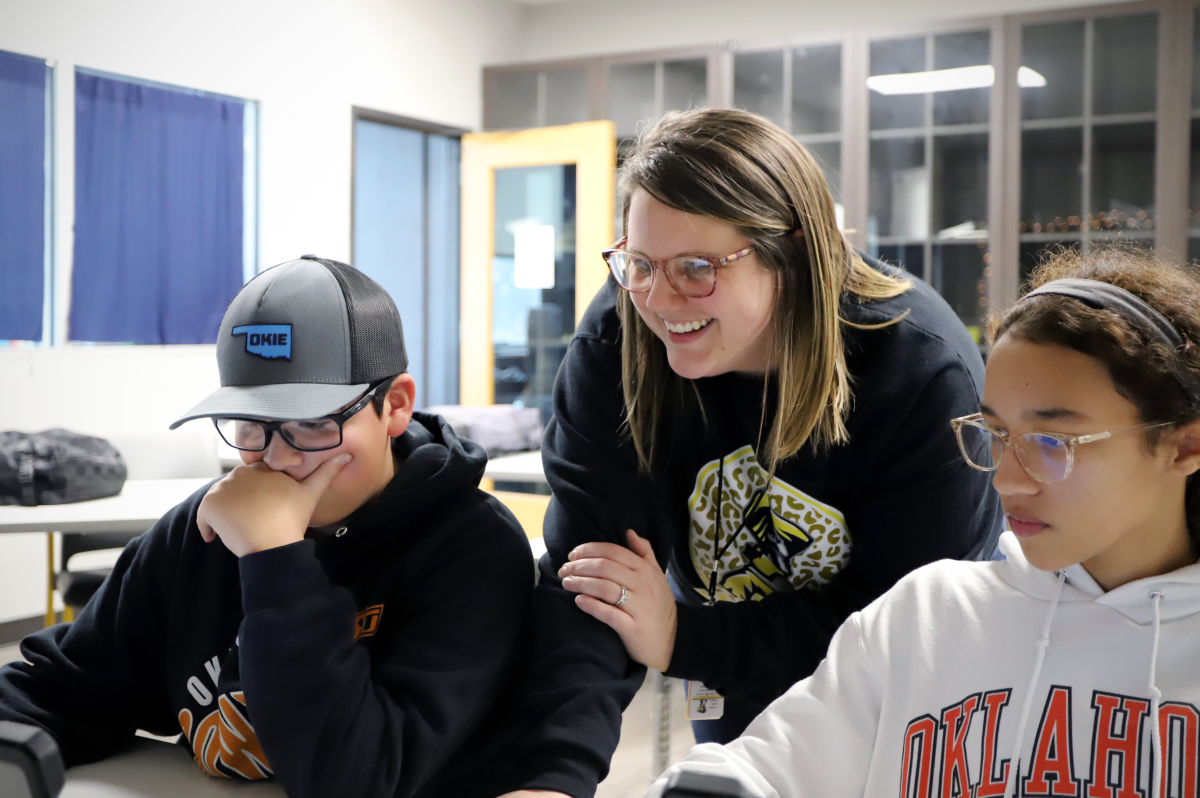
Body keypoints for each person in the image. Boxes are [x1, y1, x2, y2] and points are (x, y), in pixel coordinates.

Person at [496, 109, 1004, 798]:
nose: (657, 298)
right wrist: (552, 778)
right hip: (735, 712)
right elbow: (594, 581)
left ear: (789, 255)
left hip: (902, 733)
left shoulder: (919, 375)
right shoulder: (619, 343)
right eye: (638, 263)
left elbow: (898, 634)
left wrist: (684, 636)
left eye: (697, 269)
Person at [647, 246, 1200, 798]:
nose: (1006, 479)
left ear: (1184, 444)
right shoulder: (927, 617)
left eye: (1051, 442)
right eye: (998, 435)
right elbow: (767, 768)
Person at [0, 256, 534, 798]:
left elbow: (362, 780)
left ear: (394, 406)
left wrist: (276, 556)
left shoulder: (474, 550)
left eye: (312, 425)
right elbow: (64, 691)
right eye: (252, 427)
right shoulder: (206, 527)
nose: (277, 459)